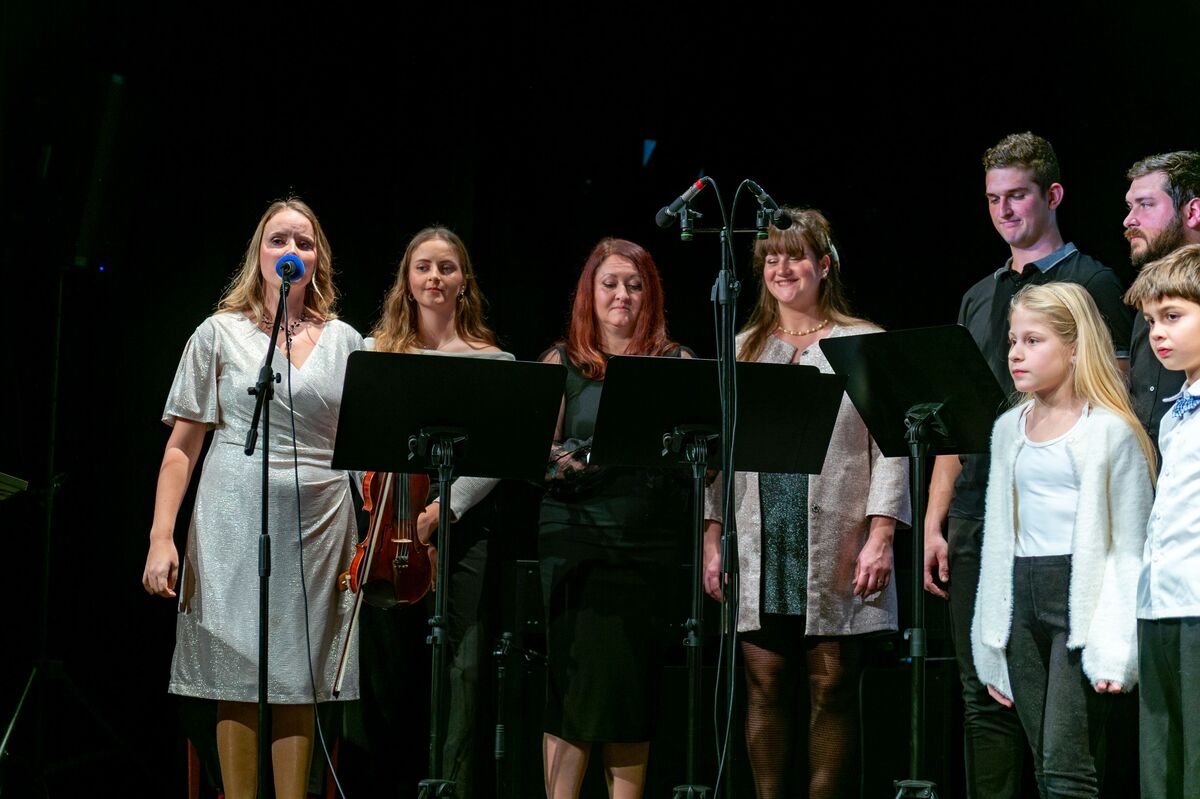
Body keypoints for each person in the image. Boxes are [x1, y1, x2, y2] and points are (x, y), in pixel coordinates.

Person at [921, 132, 1132, 799]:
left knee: (1064, 716)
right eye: (993, 199)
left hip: (1059, 521)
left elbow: (1113, 396)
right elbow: (958, 417)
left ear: (1053, 195)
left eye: (1018, 195)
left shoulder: (1092, 282)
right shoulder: (980, 296)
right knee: (982, 692)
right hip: (979, 511)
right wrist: (935, 520)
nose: (1005, 210)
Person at [141, 198, 364, 799]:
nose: (291, 250)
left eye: (304, 242)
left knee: (300, 676)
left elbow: (369, 445)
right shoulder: (218, 333)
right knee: (236, 672)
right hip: (232, 519)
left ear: (318, 260)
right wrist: (161, 537)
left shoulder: (346, 341)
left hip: (321, 524)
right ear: (258, 255)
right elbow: (181, 448)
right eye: (278, 240)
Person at [700, 208, 911, 799]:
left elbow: (892, 447)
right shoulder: (742, 348)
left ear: (823, 264)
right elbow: (718, 456)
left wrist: (881, 535)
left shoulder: (862, 341)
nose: (782, 268)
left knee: (832, 687)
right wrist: (713, 537)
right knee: (764, 686)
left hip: (839, 536)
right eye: (771, 258)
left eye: (794, 256)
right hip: (761, 535)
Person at [971, 283, 1154, 799]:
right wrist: (991, 639)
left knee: (1067, 764)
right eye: (1013, 340)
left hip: (1079, 601)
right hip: (1020, 598)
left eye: (1033, 341)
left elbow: (1129, 546)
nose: (1015, 353)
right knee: (1043, 763)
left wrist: (1116, 646)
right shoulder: (1009, 428)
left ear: (1074, 348)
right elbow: (997, 541)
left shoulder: (1110, 431)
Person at [538, 237, 692, 799]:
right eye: (610, 283)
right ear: (591, 293)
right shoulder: (561, 361)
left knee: (632, 687)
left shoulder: (675, 362)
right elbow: (537, 447)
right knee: (572, 682)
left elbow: (699, 451)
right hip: (573, 539)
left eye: (634, 284)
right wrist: (577, 462)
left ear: (650, 294)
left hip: (646, 541)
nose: (622, 294)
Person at [363, 226, 511, 799]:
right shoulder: (377, 353)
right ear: (407, 280)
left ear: (463, 281)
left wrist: (441, 510)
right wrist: (387, 511)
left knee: (464, 667)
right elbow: (359, 445)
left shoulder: (494, 360)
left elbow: (496, 454)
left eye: (446, 267)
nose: (434, 277)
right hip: (389, 530)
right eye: (423, 267)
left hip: (463, 529)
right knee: (390, 673)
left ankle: (453, 788)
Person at [1124, 244, 1200, 799]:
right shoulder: (1176, 413)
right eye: (1151, 321)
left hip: (1197, 603)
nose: (1157, 333)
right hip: (1159, 603)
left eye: (1172, 316)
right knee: (1160, 760)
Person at [1123, 151, 1200, 445]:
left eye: (1145, 205)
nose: (1129, 220)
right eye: (1130, 206)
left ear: (1193, 212)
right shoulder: (1147, 299)